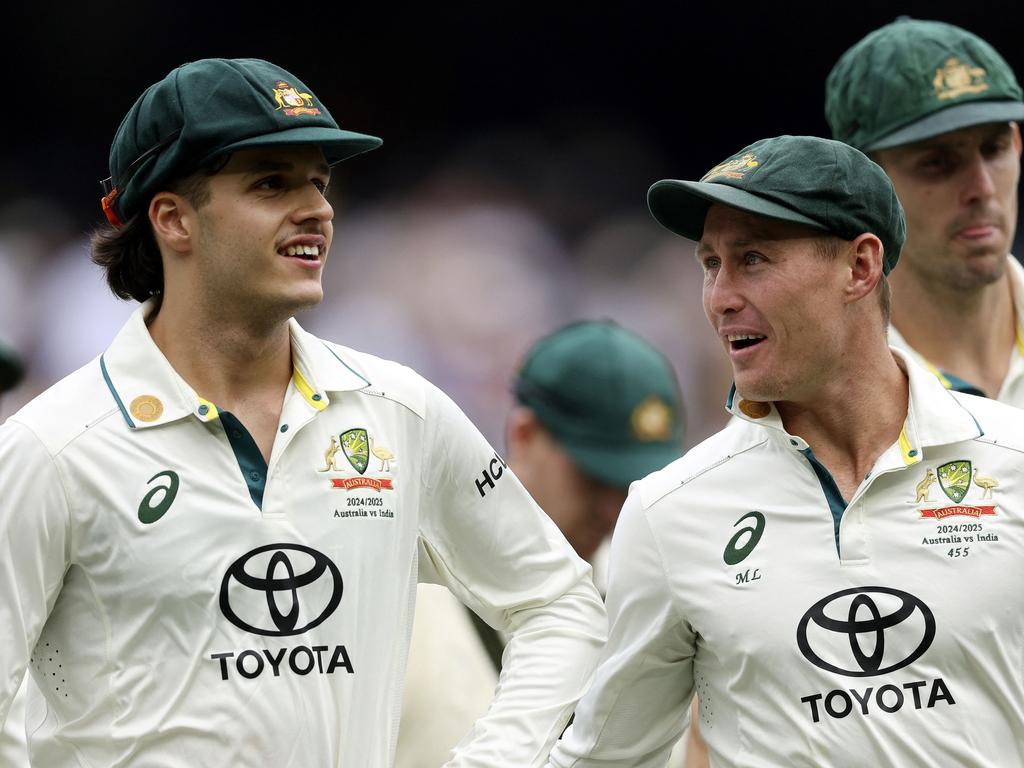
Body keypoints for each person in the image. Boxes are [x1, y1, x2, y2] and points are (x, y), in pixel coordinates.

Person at [0, 58, 607, 767]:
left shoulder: (399, 411)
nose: (317, 208)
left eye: (318, 182)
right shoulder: (52, 448)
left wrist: (493, 759)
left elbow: (559, 603)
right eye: (271, 183)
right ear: (172, 219)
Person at [546, 134, 1024, 766]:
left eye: (754, 259)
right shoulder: (670, 511)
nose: (720, 298)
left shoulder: (1011, 458)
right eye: (711, 264)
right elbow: (604, 759)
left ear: (860, 267)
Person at [396, 319, 687, 767]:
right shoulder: (407, 599)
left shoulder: (656, 600)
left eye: (634, 485)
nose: (614, 510)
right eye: (594, 478)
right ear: (523, 435)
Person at [826, 17, 1024, 402]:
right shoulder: (825, 404)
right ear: (863, 183)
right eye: (937, 162)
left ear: (1016, 143)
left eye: (994, 149)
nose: (981, 189)